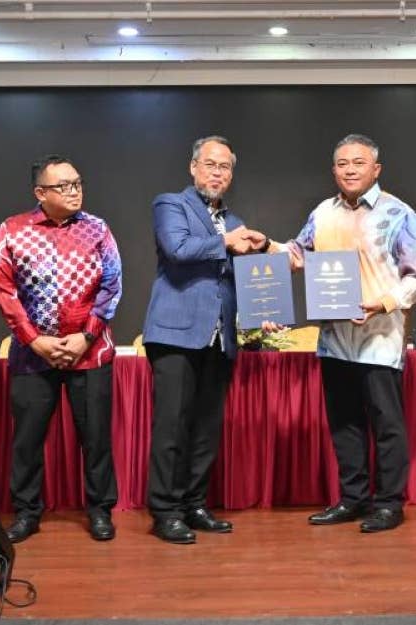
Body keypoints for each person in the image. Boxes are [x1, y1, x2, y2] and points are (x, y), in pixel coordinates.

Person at [266, 133, 416, 532]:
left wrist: (385, 302)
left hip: (380, 339)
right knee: (344, 423)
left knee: (387, 425)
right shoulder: (323, 212)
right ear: (334, 170)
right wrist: (266, 245)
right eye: (342, 163)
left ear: (375, 169)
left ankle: (389, 504)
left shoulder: (399, 215)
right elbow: (298, 254)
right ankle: (353, 499)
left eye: (358, 163)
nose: (350, 170)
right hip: (335, 340)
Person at [0, 154, 122, 543]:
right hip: (33, 356)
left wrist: (87, 335)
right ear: (40, 193)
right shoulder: (12, 231)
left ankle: (100, 511)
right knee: (27, 440)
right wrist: (35, 340)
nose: (74, 191)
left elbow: (112, 285)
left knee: (96, 438)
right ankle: (27, 512)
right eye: (63, 186)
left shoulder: (98, 229)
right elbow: (3, 290)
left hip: (91, 353)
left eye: (77, 183)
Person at [142, 135, 268, 544]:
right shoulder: (170, 204)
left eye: (225, 167)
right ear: (193, 167)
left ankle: (194, 504)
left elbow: (238, 279)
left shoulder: (234, 221)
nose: (217, 172)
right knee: (172, 427)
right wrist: (228, 243)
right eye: (210, 164)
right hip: (176, 334)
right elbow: (177, 249)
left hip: (219, 338)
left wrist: (263, 308)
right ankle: (165, 511)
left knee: (206, 428)